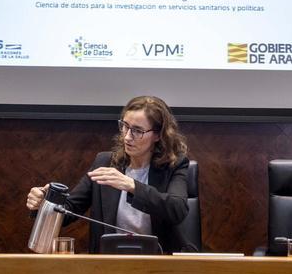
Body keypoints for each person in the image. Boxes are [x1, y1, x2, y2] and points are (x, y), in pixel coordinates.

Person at [26, 95, 191, 254]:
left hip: (158, 263)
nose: (127, 136)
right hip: (108, 262)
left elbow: (177, 209)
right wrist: (44, 203)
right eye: (125, 126)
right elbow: (69, 210)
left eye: (137, 131)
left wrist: (132, 186)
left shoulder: (174, 166)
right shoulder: (105, 162)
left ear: (158, 135)